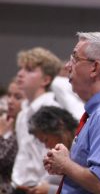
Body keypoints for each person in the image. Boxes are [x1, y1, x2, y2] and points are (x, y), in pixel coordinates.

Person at [43, 32, 100, 194]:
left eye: (75, 58)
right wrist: (69, 162)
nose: (67, 66)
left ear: (95, 67)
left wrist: (66, 165)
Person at [11, 47, 61, 193]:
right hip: (19, 185)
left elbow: (53, 156)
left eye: (29, 70)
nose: (20, 74)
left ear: (45, 80)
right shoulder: (23, 112)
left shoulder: (52, 111)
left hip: (39, 188)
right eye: (21, 69)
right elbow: (24, 153)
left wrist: (45, 187)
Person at [25, 106, 78, 194]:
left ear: (60, 126)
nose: (47, 146)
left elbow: (87, 187)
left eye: (46, 140)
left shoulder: (81, 146)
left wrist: (50, 190)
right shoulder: (68, 149)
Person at [0, 78, 25, 193]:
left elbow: (3, 160)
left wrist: (2, 135)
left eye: (17, 97)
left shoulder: (27, 130)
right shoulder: (4, 121)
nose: (10, 101)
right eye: (9, 95)